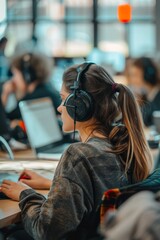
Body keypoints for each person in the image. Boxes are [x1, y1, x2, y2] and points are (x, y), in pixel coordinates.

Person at [0, 63, 153, 240]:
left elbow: (47, 230)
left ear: (79, 105)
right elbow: (100, 191)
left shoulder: (78, 155)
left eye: (63, 99)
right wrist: (55, 184)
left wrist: (24, 193)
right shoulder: (121, 143)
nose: (59, 108)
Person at [1, 52, 61, 120]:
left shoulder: (34, 98)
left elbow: (4, 120)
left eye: (15, 74)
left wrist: (5, 94)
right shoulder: (46, 89)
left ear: (27, 76)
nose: (13, 79)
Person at [128, 56, 160, 127]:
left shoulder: (157, 96)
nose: (133, 80)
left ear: (148, 74)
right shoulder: (145, 96)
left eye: (135, 75)